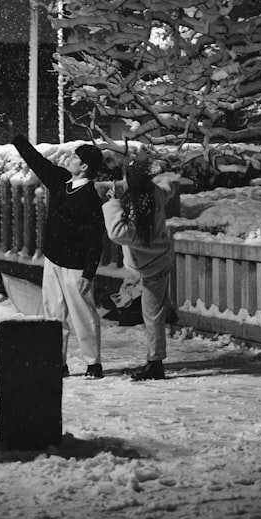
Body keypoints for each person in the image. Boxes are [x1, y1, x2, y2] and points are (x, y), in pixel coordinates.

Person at [1, 117, 106, 378]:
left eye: (74, 157)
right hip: (54, 260)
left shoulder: (90, 199)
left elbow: (95, 238)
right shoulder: (61, 182)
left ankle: (93, 363)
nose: (68, 158)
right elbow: (37, 162)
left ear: (83, 167)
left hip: (76, 267)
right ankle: (57, 362)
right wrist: (17, 138)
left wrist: (89, 273)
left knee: (83, 315)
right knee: (53, 314)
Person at [102, 156, 174, 381]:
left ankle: (155, 363)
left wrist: (113, 203)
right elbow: (168, 186)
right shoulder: (155, 193)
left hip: (149, 266)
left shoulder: (137, 205)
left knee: (152, 315)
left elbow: (120, 233)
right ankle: (130, 297)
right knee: (152, 308)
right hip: (154, 261)